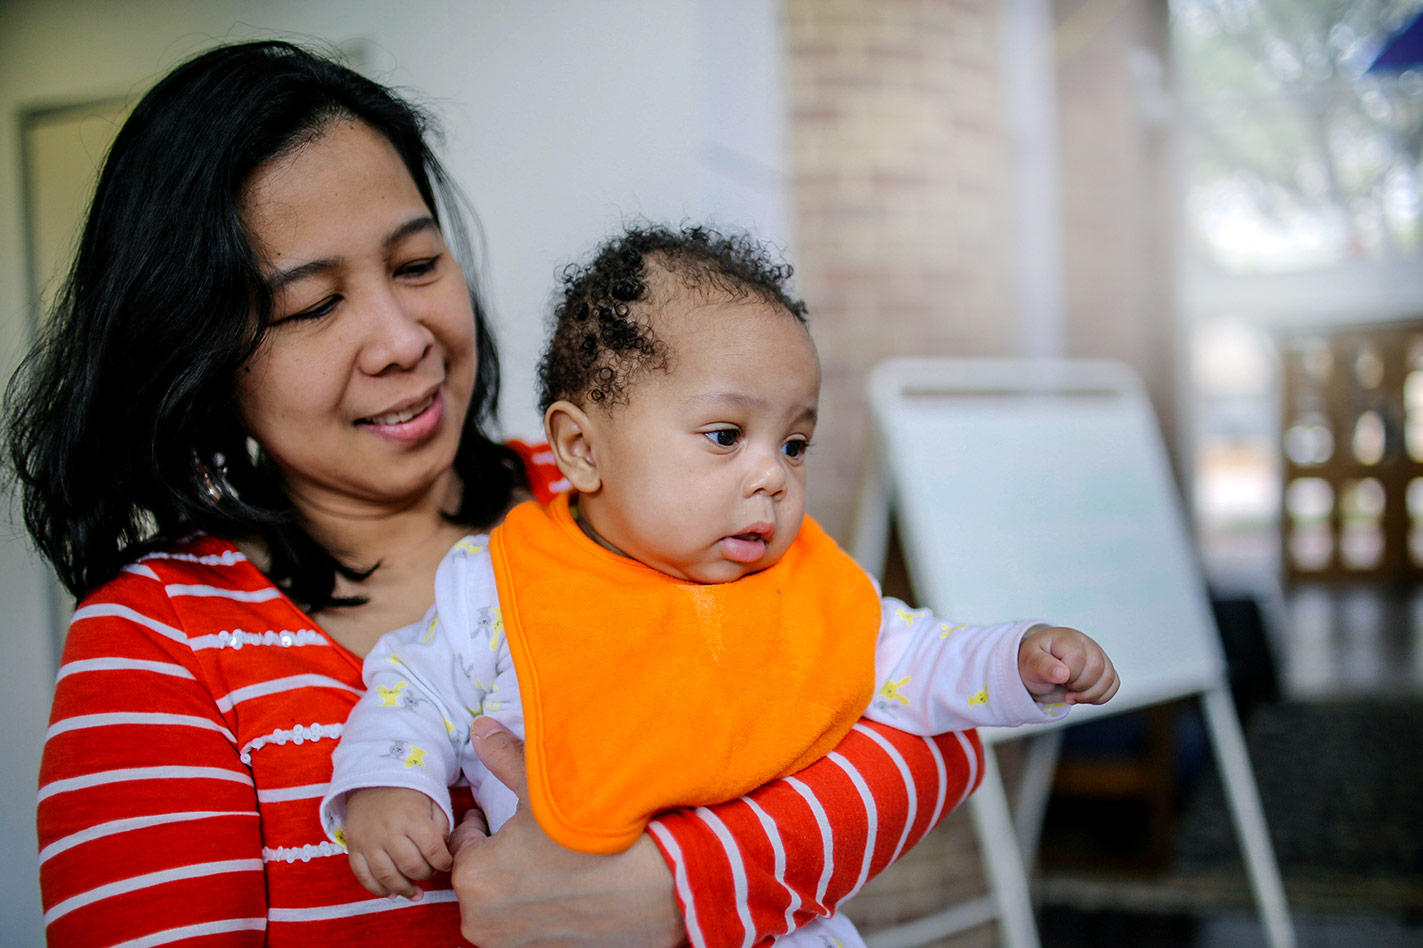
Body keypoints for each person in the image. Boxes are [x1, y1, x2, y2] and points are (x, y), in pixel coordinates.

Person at [7, 40, 992, 948]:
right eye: (312, 306)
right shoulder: (158, 643)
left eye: (417, 264)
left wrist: (679, 885)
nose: (403, 337)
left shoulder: (613, 497)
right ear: (199, 358)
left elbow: (925, 731)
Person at [321, 225, 1120, 947]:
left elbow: (920, 662)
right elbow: (412, 687)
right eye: (725, 435)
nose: (772, 475)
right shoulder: (504, 586)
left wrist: (1016, 659)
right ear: (581, 449)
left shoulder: (799, 584)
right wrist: (387, 781)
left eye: (795, 442)